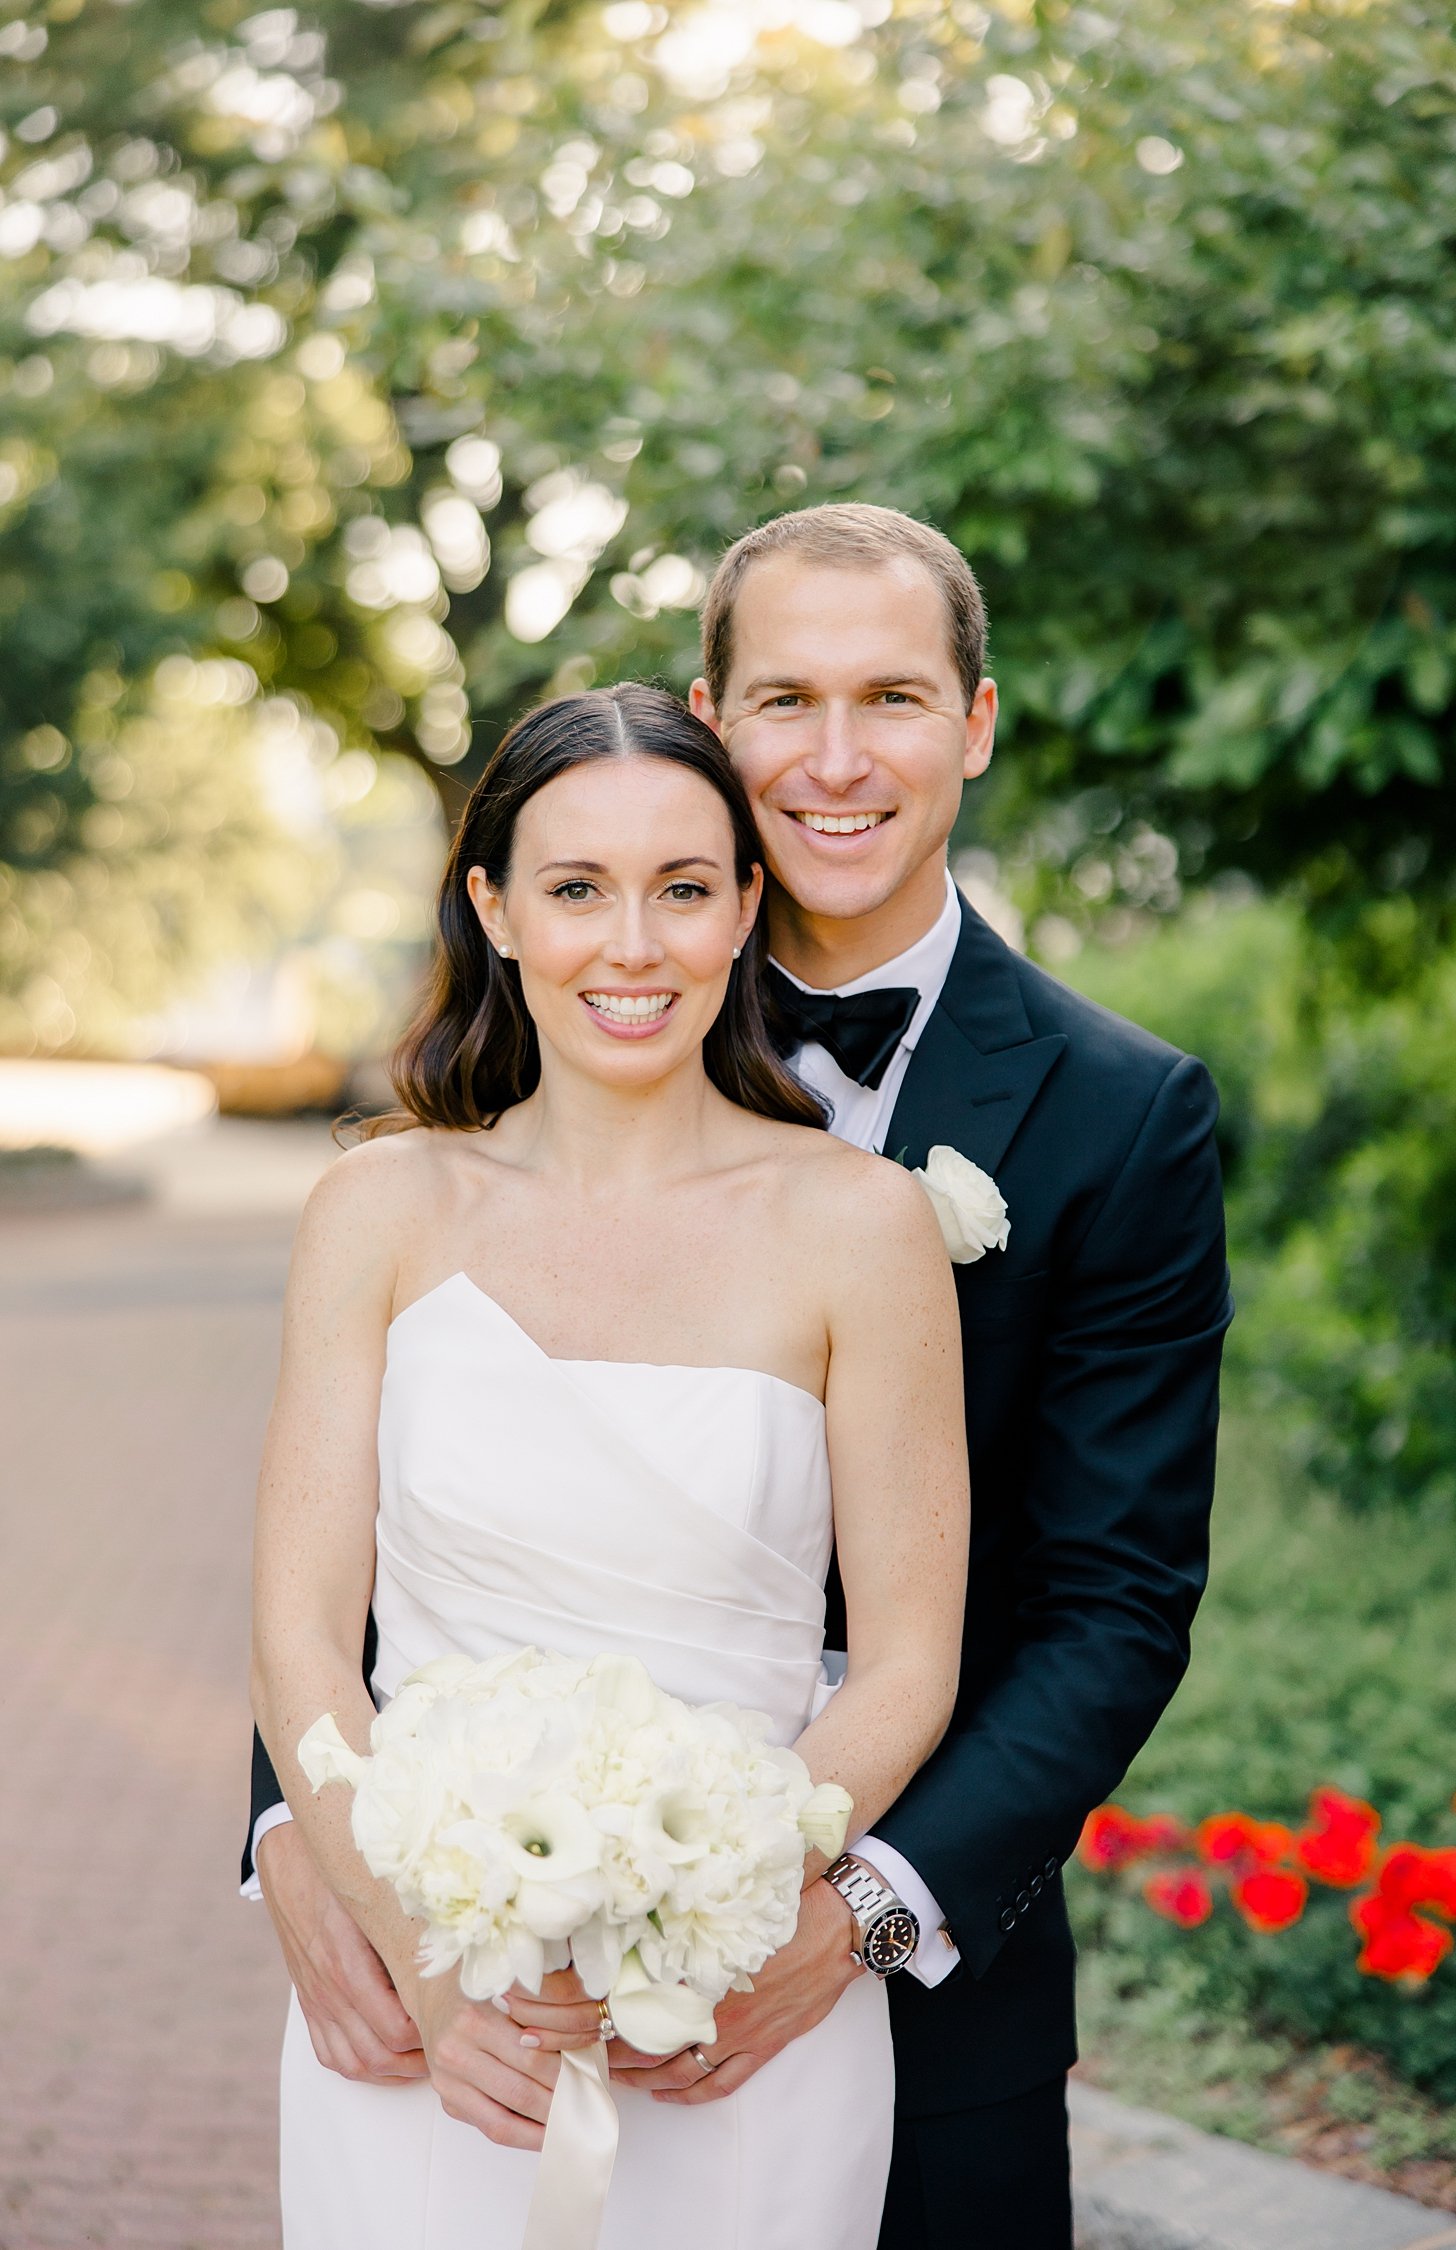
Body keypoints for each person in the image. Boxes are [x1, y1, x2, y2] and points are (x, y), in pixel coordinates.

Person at [246, 501, 1231, 2246]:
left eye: (896, 699)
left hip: (894, 1971)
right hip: (446, 1972)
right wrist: (324, 1854)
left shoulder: (1116, 1116)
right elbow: (342, 1577)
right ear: (710, 719)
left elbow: (1113, 1601)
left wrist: (818, 1908)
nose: (837, 756)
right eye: (784, 699)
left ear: (975, 722)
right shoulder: (404, 1190)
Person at [250, 681, 969, 2249]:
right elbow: (303, 1631)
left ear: (745, 910)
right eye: (576, 887)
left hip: (733, 2026)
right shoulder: (378, 1210)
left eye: (684, 888)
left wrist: (713, 1912)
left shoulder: (865, 1225)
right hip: (434, 2008)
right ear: (495, 908)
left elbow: (911, 1660)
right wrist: (422, 1959)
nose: (631, 944)